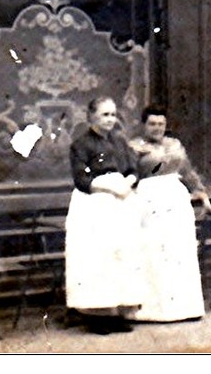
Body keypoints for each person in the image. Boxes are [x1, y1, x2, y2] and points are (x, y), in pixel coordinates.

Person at [64, 96, 145, 334]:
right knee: (98, 257)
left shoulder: (120, 141)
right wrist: (109, 188)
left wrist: (128, 183)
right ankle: (98, 315)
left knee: (122, 255)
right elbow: (82, 180)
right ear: (91, 117)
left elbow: (133, 168)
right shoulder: (80, 144)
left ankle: (118, 311)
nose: (110, 120)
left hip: (121, 202)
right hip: (95, 204)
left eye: (113, 114)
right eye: (104, 115)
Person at [128, 106, 211, 322]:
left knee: (178, 251)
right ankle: (153, 310)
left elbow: (187, 171)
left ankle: (184, 308)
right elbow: (128, 174)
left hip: (176, 199)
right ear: (143, 125)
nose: (157, 128)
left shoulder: (174, 145)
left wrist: (202, 194)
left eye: (161, 124)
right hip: (148, 199)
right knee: (153, 251)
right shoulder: (133, 147)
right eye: (152, 124)